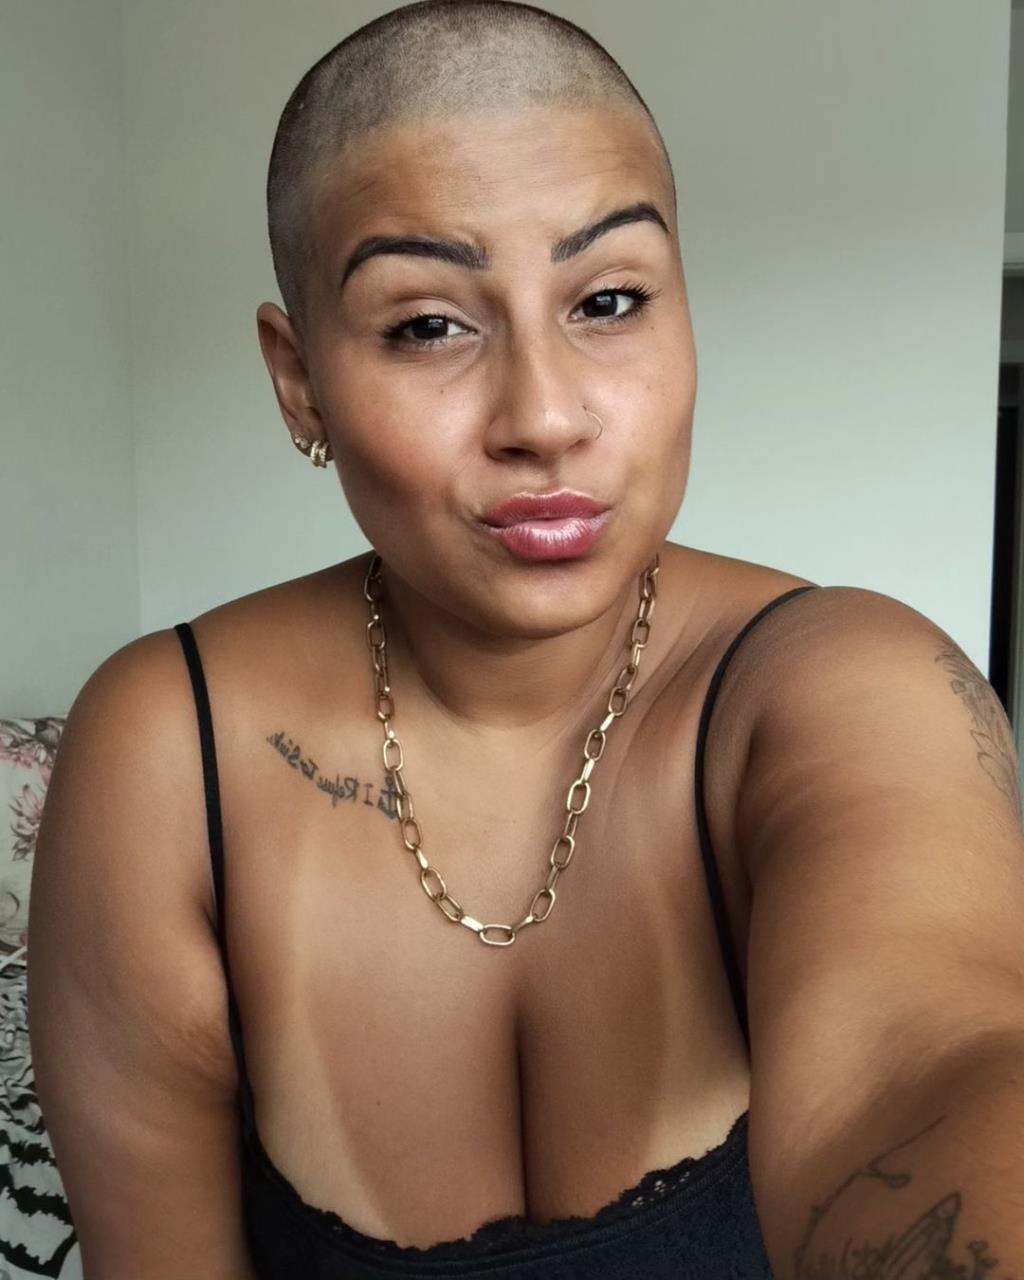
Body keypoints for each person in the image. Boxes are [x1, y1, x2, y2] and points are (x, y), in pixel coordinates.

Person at [27, 2, 1024, 1277]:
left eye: (608, 299)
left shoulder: (846, 683)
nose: (544, 416)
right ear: (299, 379)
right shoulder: (171, 751)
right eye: (427, 323)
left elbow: (934, 1064)